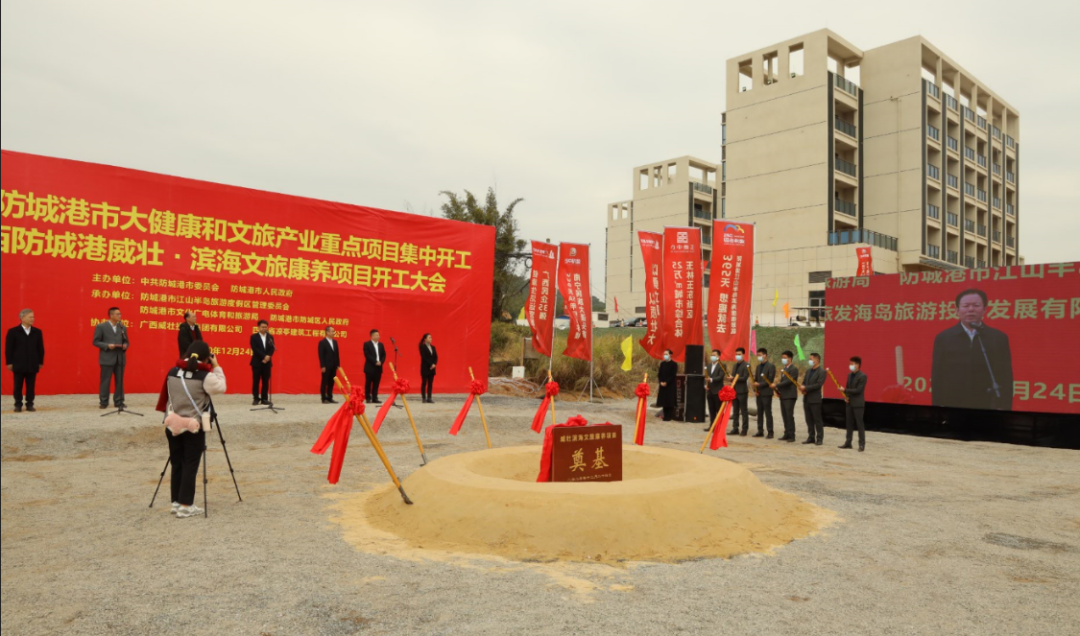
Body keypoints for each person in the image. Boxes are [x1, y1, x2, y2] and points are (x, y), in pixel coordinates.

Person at [163, 341, 226, 519]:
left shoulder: (172, 372)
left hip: (173, 423)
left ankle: (176, 502)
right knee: (190, 464)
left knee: (177, 463)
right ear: (206, 357)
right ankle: (186, 505)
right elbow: (221, 387)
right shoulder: (205, 376)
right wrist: (216, 366)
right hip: (193, 426)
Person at [931, 288, 1014, 411]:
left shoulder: (998, 338)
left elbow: (1006, 375)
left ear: (984, 309)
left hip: (987, 404)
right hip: (953, 404)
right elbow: (937, 376)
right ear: (957, 310)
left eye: (976, 305)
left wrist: (1004, 406)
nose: (971, 309)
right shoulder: (944, 338)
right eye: (966, 306)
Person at [6, 309, 45, 413]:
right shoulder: (13, 332)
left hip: (32, 363)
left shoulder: (37, 332)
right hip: (18, 363)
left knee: (31, 386)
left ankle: (30, 404)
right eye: (30, 317)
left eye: (33, 317)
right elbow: (9, 349)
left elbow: (40, 348)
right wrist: (9, 362)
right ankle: (18, 404)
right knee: (18, 385)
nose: (33, 319)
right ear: (22, 318)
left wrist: (40, 362)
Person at [93, 307, 129, 410]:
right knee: (105, 381)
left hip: (120, 358)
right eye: (118, 314)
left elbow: (126, 341)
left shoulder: (122, 327)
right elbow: (95, 341)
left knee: (120, 381)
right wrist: (107, 345)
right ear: (111, 315)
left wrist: (125, 346)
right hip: (107, 358)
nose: (120, 316)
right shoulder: (101, 326)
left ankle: (119, 401)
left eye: (120, 314)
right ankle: (104, 402)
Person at [839, 356, 868, 452]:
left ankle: (861, 444)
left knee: (859, 424)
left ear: (857, 365)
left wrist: (845, 390)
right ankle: (848, 442)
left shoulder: (863, 376)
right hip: (849, 403)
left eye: (852, 364)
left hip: (858, 403)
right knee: (849, 423)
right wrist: (846, 396)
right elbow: (848, 387)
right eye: (850, 363)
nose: (850, 365)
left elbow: (859, 390)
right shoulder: (849, 375)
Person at [800, 353, 826, 445]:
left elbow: (818, 385)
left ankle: (819, 438)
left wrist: (806, 388)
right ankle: (811, 437)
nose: (809, 361)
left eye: (811, 359)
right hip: (806, 398)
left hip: (815, 399)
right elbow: (804, 382)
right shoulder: (808, 371)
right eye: (809, 359)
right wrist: (802, 388)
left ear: (817, 360)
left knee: (817, 420)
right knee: (809, 419)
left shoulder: (822, 372)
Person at [249, 320, 275, 406]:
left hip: (267, 363)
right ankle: (256, 398)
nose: (264, 328)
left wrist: (268, 356)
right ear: (258, 327)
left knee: (265, 381)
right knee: (256, 381)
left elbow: (272, 348)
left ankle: (264, 398)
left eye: (265, 327)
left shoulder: (270, 337)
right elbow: (255, 349)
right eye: (262, 327)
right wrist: (264, 356)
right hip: (257, 362)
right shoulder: (254, 337)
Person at [775, 351, 799, 442]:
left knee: (789, 415)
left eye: (785, 357)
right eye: (782, 357)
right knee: (784, 415)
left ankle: (792, 435)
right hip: (783, 395)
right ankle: (787, 433)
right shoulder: (784, 369)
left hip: (790, 395)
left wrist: (777, 385)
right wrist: (778, 391)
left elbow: (789, 381)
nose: (783, 359)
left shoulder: (793, 369)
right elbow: (783, 382)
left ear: (790, 358)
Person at [753, 348, 776, 438]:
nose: (759, 357)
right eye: (758, 355)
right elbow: (755, 379)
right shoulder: (758, 367)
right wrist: (755, 390)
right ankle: (760, 430)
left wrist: (759, 384)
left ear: (765, 355)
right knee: (759, 412)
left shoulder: (771, 366)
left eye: (760, 355)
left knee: (767, 412)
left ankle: (770, 432)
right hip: (759, 393)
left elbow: (770, 380)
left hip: (766, 392)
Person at [729, 347, 751, 436]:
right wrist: (730, 378)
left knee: (744, 411)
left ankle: (744, 429)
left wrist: (734, 378)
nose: (737, 356)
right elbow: (733, 376)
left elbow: (744, 378)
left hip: (742, 391)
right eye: (736, 354)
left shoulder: (747, 365)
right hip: (734, 391)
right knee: (735, 410)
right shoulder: (735, 365)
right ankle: (735, 428)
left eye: (739, 354)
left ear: (743, 355)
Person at [363, 329, 387, 404]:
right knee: (368, 383)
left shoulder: (381, 345)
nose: (378, 336)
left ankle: (375, 398)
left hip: (379, 367)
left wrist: (381, 362)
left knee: (376, 384)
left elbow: (384, 355)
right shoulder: (367, 344)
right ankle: (368, 398)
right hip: (370, 367)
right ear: (372, 336)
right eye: (376, 335)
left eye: (378, 335)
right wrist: (375, 362)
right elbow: (367, 355)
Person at [318, 326, 341, 404]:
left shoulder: (335, 342)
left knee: (331, 382)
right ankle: (324, 398)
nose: (334, 333)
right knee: (324, 382)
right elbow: (321, 355)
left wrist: (338, 364)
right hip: (326, 366)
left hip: (333, 366)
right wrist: (322, 366)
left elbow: (337, 354)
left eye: (334, 331)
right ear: (327, 332)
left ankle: (330, 397)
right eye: (332, 331)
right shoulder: (322, 342)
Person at [704, 350, 725, 431]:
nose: (712, 356)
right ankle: (712, 426)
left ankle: (719, 427)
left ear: (718, 356)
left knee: (718, 410)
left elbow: (720, 377)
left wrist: (711, 379)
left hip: (718, 391)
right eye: (711, 355)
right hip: (710, 391)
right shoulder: (709, 366)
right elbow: (706, 377)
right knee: (711, 410)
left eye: (714, 355)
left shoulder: (722, 365)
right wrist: (705, 385)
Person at [657, 349, 678, 422]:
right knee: (664, 400)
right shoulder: (662, 364)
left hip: (670, 385)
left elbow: (673, 375)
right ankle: (665, 415)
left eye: (666, 354)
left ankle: (669, 416)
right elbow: (659, 374)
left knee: (670, 400)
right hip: (662, 384)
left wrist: (666, 382)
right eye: (664, 354)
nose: (665, 355)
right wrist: (661, 382)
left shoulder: (674, 364)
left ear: (670, 355)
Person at [419, 333, 438, 403]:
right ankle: (424, 398)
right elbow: (424, 357)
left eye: (431, 338)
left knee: (430, 383)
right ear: (425, 339)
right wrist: (431, 364)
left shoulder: (433, 347)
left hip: (432, 368)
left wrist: (434, 364)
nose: (431, 339)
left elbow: (436, 357)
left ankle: (429, 397)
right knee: (424, 383)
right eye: (429, 337)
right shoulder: (422, 347)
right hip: (425, 368)